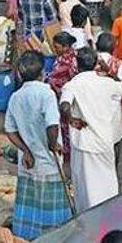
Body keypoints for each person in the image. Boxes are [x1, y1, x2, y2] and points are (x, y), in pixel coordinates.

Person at [5, 51, 70, 240]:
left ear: (19, 74)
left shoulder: (16, 97)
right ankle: (54, 237)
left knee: (31, 201)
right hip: (47, 159)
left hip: (28, 160)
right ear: (43, 73)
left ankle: (28, 236)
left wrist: (25, 150)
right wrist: (53, 145)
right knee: (51, 201)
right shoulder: (46, 93)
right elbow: (52, 124)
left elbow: (10, 130)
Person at [61, 47, 122, 213]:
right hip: (104, 142)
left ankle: (88, 221)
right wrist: (110, 72)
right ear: (96, 64)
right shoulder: (108, 83)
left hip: (83, 144)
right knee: (107, 184)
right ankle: (108, 219)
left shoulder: (73, 84)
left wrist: (69, 118)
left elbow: (64, 105)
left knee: (85, 187)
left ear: (77, 64)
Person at [95, 32, 122, 152]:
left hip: (94, 107)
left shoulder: (90, 61)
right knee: (114, 140)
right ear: (114, 47)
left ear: (96, 45)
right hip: (113, 108)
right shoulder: (119, 65)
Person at [49, 31, 79, 161]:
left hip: (66, 98)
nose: (54, 49)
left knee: (66, 123)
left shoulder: (69, 61)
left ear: (66, 46)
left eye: (57, 47)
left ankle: (68, 152)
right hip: (59, 95)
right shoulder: (63, 57)